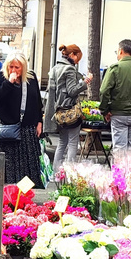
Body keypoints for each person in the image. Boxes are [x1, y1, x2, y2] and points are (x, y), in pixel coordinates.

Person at [0, 53, 44, 186]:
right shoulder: (0, 78)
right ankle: (6, 193)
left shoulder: (30, 78)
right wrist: (9, 83)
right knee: (8, 166)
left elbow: (37, 101)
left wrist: (39, 121)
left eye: (17, 67)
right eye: (10, 67)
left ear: (23, 68)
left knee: (27, 166)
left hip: (27, 128)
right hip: (6, 128)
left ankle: (26, 196)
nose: (13, 70)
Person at [43, 43, 92, 172]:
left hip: (59, 112)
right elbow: (72, 91)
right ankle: (69, 173)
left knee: (62, 142)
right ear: (71, 55)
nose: (77, 61)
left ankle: (55, 172)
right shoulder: (69, 69)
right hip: (70, 111)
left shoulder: (55, 68)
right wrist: (85, 82)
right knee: (72, 143)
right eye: (78, 58)